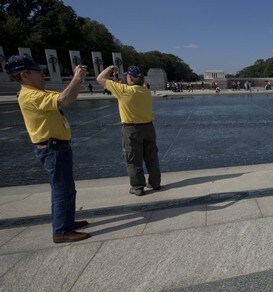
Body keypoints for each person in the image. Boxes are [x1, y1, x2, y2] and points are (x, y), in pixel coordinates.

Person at [6, 55, 91, 243]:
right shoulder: (31, 95)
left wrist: (77, 81)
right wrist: (76, 78)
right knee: (62, 190)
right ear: (25, 75)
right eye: (37, 70)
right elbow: (62, 100)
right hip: (53, 149)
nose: (42, 73)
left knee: (66, 189)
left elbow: (69, 97)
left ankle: (66, 222)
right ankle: (61, 231)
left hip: (56, 148)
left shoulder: (36, 92)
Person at [96, 65, 161, 196]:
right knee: (151, 157)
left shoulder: (124, 90)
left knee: (133, 159)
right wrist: (117, 78)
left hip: (132, 129)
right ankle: (155, 183)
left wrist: (110, 68)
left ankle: (137, 186)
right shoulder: (145, 91)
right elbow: (123, 85)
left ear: (130, 77)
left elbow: (100, 78)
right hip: (149, 128)